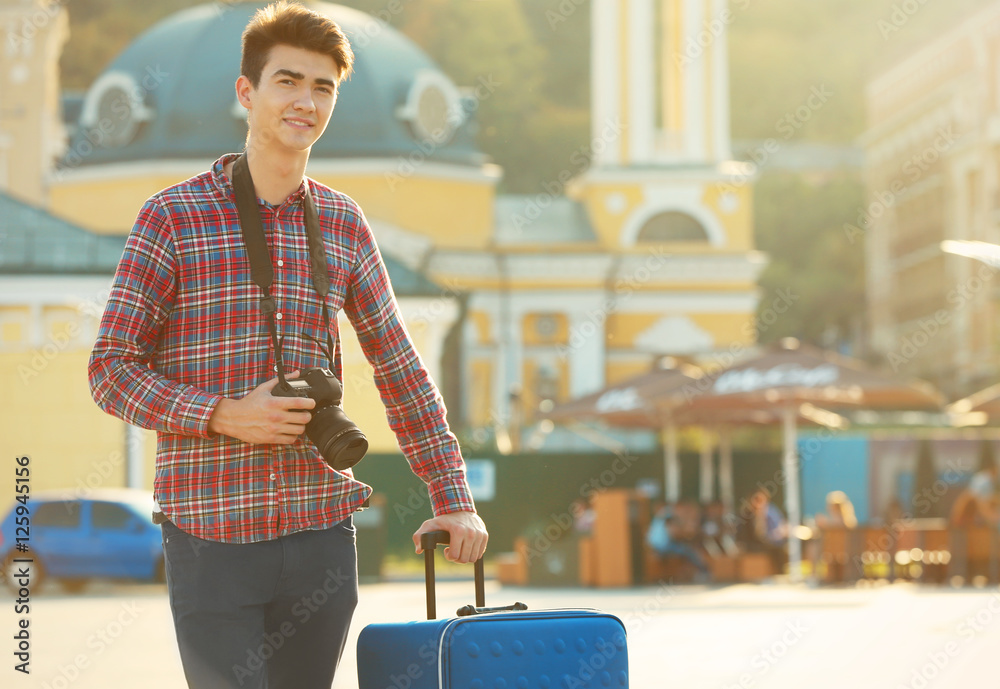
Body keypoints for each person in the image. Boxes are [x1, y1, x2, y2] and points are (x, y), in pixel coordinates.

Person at [87, 3, 487, 688]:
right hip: (210, 531)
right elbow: (109, 371)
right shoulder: (172, 217)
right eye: (288, 81)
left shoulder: (341, 222)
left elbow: (399, 367)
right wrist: (222, 413)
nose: (306, 100)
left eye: (323, 86)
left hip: (319, 534)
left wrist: (452, 494)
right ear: (246, 92)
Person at [646, 502, 710, 580]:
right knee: (689, 550)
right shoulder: (669, 515)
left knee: (686, 549)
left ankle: (692, 574)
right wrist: (686, 533)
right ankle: (704, 571)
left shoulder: (663, 514)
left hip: (654, 545)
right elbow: (675, 534)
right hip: (662, 546)